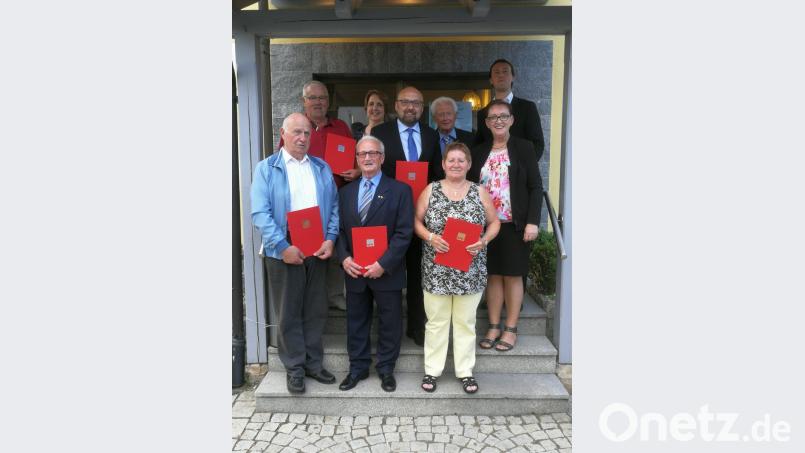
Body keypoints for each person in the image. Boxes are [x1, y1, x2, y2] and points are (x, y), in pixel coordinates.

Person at [250, 113, 340, 394]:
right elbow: (260, 213)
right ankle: (295, 368)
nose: (302, 138)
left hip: (317, 246)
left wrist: (331, 239)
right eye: (297, 132)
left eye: (306, 134)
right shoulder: (267, 168)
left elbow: (334, 207)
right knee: (289, 311)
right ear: (283, 134)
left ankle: (314, 364)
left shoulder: (322, 167)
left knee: (315, 309)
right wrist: (282, 246)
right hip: (284, 248)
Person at [414, 142, 500, 394]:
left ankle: (465, 372)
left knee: (465, 322)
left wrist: (484, 240)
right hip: (436, 269)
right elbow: (416, 221)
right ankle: (432, 370)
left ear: (469, 164)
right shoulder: (430, 190)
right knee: (437, 322)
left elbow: (494, 223)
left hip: (469, 270)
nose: (456, 164)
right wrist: (430, 237)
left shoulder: (479, 192)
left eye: (461, 160)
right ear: (443, 164)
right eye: (451, 160)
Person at [336, 136, 414, 393]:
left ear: (382, 157)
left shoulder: (401, 190)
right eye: (362, 154)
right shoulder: (345, 192)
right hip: (355, 269)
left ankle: (386, 369)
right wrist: (344, 257)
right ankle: (357, 367)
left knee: (390, 321)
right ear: (357, 158)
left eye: (372, 153)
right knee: (356, 320)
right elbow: (340, 231)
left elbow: (404, 233)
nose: (367, 158)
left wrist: (383, 263)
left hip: (386, 271)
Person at [468, 100, 543, 352]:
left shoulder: (524, 148)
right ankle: (493, 325)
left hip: (514, 224)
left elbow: (535, 187)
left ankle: (510, 328)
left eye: (503, 116)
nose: (498, 121)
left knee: (512, 276)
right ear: (486, 123)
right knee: (492, 275)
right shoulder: (477, 151)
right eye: (492, 118)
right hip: (485, 227)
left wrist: (533, 221)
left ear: (512, 119)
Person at [372, 86, 444, 346]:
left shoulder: (431, 135)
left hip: (421, 217)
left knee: (417, 274)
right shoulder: (380, 133)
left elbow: (437, 174)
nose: (410, 107)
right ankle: (387, 332)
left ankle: (417, 327)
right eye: (405, 102)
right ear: (396, 105)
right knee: (387, 273)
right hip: (387, 215)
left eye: (416, 102)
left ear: (422, 108)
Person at [281, 80, 357, 311]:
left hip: (338, 198)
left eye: (322, 98)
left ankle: (334, 293)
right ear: (304, 101)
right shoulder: (297, 128)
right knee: (308, 250)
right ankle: (312, 299)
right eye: (312, 98)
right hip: (306, 204)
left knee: (334, 245)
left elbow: (355, 158)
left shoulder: (341, 126)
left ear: (328, 101)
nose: (318, 102)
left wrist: (357, 171)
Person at [475, 58, 545, 163]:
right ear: (491, 80)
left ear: (513, 77)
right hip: (492, 174)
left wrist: (525, 169)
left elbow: (537, 143)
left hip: (521, 174)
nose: (501, 75)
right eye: (497, 72)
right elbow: (479, 145)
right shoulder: (483, 113)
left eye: (505, 71)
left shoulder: (528, 107)